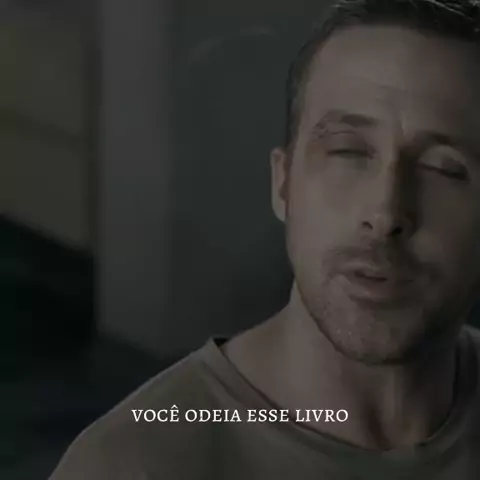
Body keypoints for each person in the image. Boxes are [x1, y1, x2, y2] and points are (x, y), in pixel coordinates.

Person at [49, 0, 480, 478]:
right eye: (348, 151)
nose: (385, 213)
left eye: (443, 168)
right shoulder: (129, 466)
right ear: (283, 184)